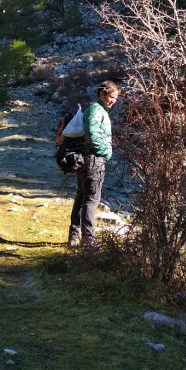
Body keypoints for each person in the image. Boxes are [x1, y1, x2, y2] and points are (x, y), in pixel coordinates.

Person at [68, 80, 120, 247]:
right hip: (93, 159)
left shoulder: (97, 109)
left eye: (116, 98)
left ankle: (75, 236)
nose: (114, 101)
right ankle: (88, 241)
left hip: (87, 159)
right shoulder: (96, 110)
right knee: (91, 199)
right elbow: (92, 133)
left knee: (82, 196)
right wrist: (105, 152)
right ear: (102, 94)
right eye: (111, 97)